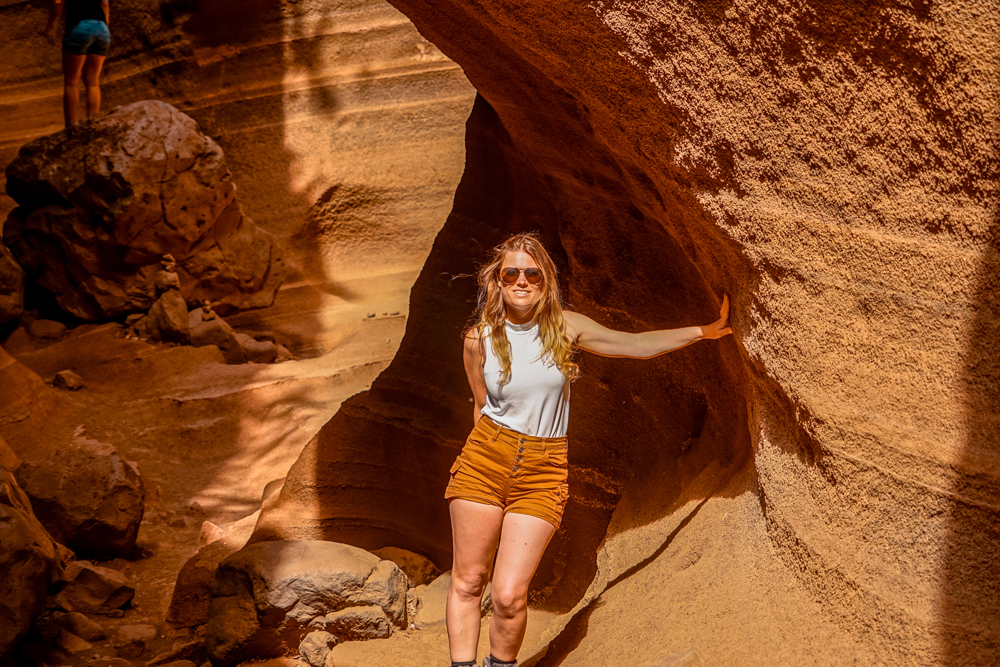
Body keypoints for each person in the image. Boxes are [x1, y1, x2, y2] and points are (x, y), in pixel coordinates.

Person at [445, 232, 732, 667]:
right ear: (497, 281)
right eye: (511, 273)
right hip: (484, 460)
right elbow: (481, 403)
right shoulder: (478, 338)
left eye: (532, 273)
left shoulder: (565, 326)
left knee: (508, 595)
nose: (521, 281)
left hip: (543, 470)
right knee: (468, 582)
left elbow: (633, 345)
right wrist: (482, 455)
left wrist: (701, 332)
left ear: (546, 280)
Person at [41, 0, 111, 127]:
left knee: (71, 82)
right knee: (93, 82)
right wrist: (104, 27)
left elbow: (57, 3)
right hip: (102, 29)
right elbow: (104, 4)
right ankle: (93, 125)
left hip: (80, 27)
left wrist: (51, 26)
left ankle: (70, 128)